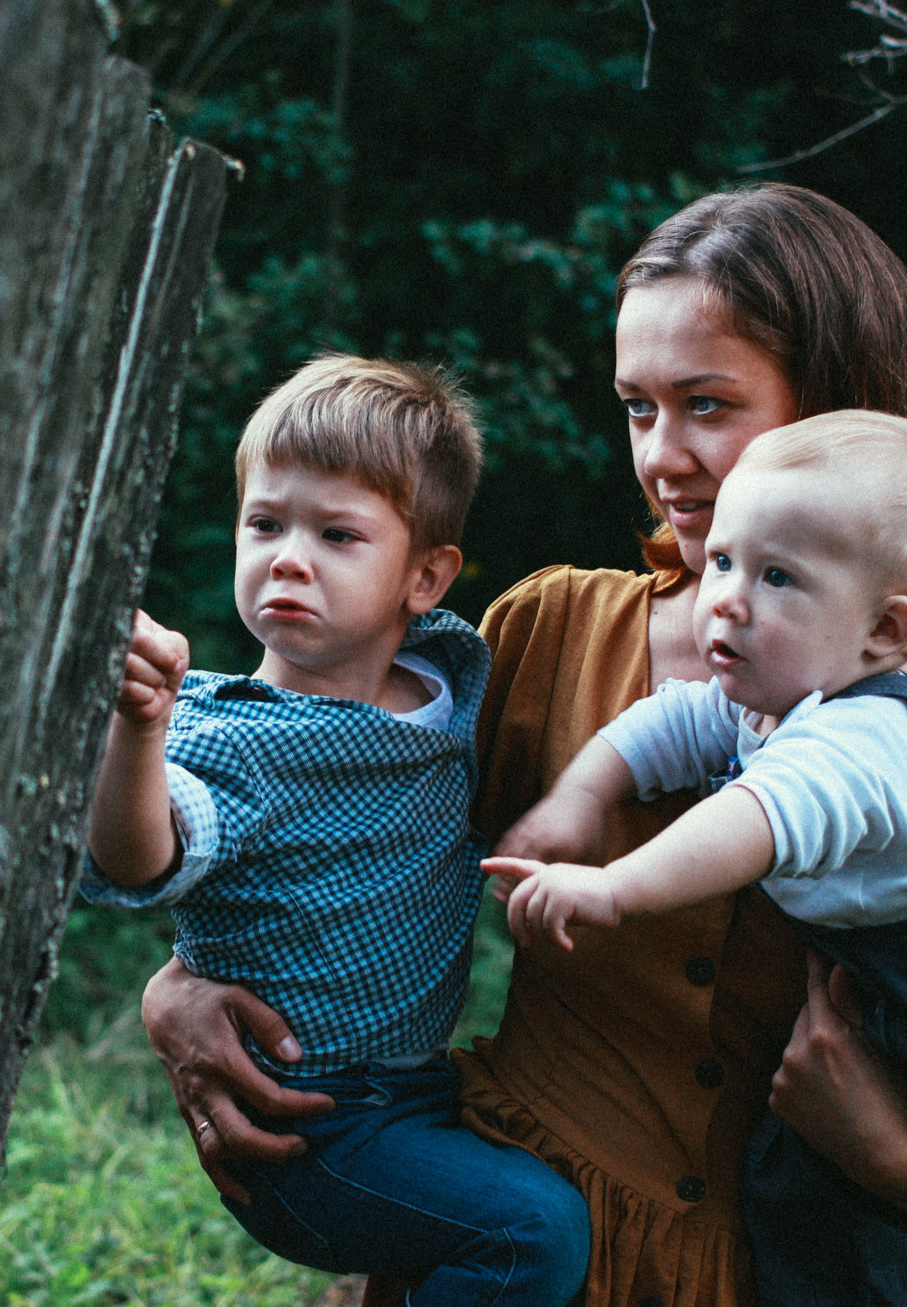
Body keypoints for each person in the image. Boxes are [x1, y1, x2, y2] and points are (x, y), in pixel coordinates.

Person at [137, 184, 907, 1307]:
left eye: (705, 404)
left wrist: (891, 1156)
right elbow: (310, 815)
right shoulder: (546, 638)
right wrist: (181, 987)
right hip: (529, 1250)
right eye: (636, 408)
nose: (663, 457)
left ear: (841, 408)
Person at [486, 411, 907, 1307]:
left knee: (840, 1219)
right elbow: (673, 720)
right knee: (813, 1185)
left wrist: (615, 887)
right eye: (721, 562)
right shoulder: (784, 692)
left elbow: (758, 816)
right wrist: (581, 797)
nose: (728, 599)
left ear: (883, 628)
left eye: (777, 576)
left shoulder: (871, 738)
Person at [81, 354, 591, 1307]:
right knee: (537, 1229)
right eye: (265, 522)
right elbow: (142, 853)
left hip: (422, 1089)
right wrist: (138, 729)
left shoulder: (453, 677)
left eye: (337, 534)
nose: (287, 555)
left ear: (427, 577)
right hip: (310, 1125)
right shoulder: (232, 738)